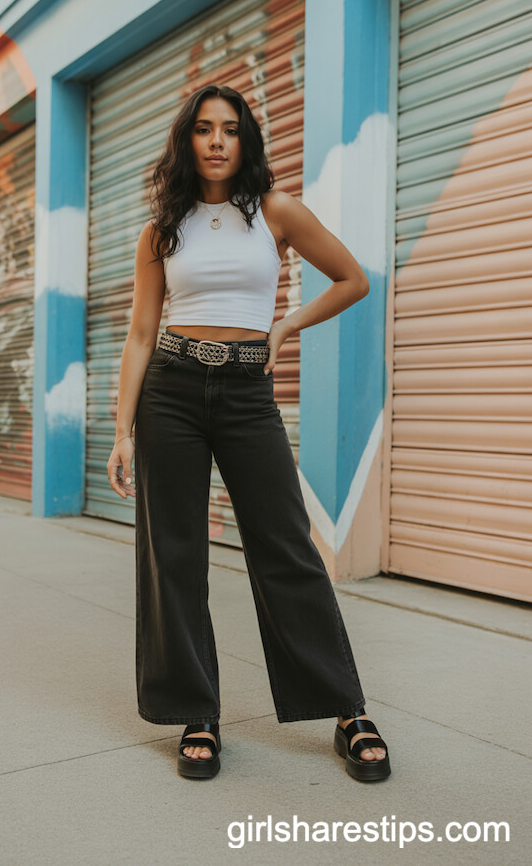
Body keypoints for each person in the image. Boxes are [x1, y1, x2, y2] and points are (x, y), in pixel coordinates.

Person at [107, 84, 390, 783]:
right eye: (203, 129)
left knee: (285, 547)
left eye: (229, 129)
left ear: (246, 139)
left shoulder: (276, 211)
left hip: (245, 390)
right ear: (187, 140)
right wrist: (121, 430)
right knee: (174, 554)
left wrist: (288, 324)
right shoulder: (161, 229)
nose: (216, 141)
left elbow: (352, 279)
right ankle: (196, 712)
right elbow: (142, 332)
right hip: (170, 389)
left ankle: (346, 707)